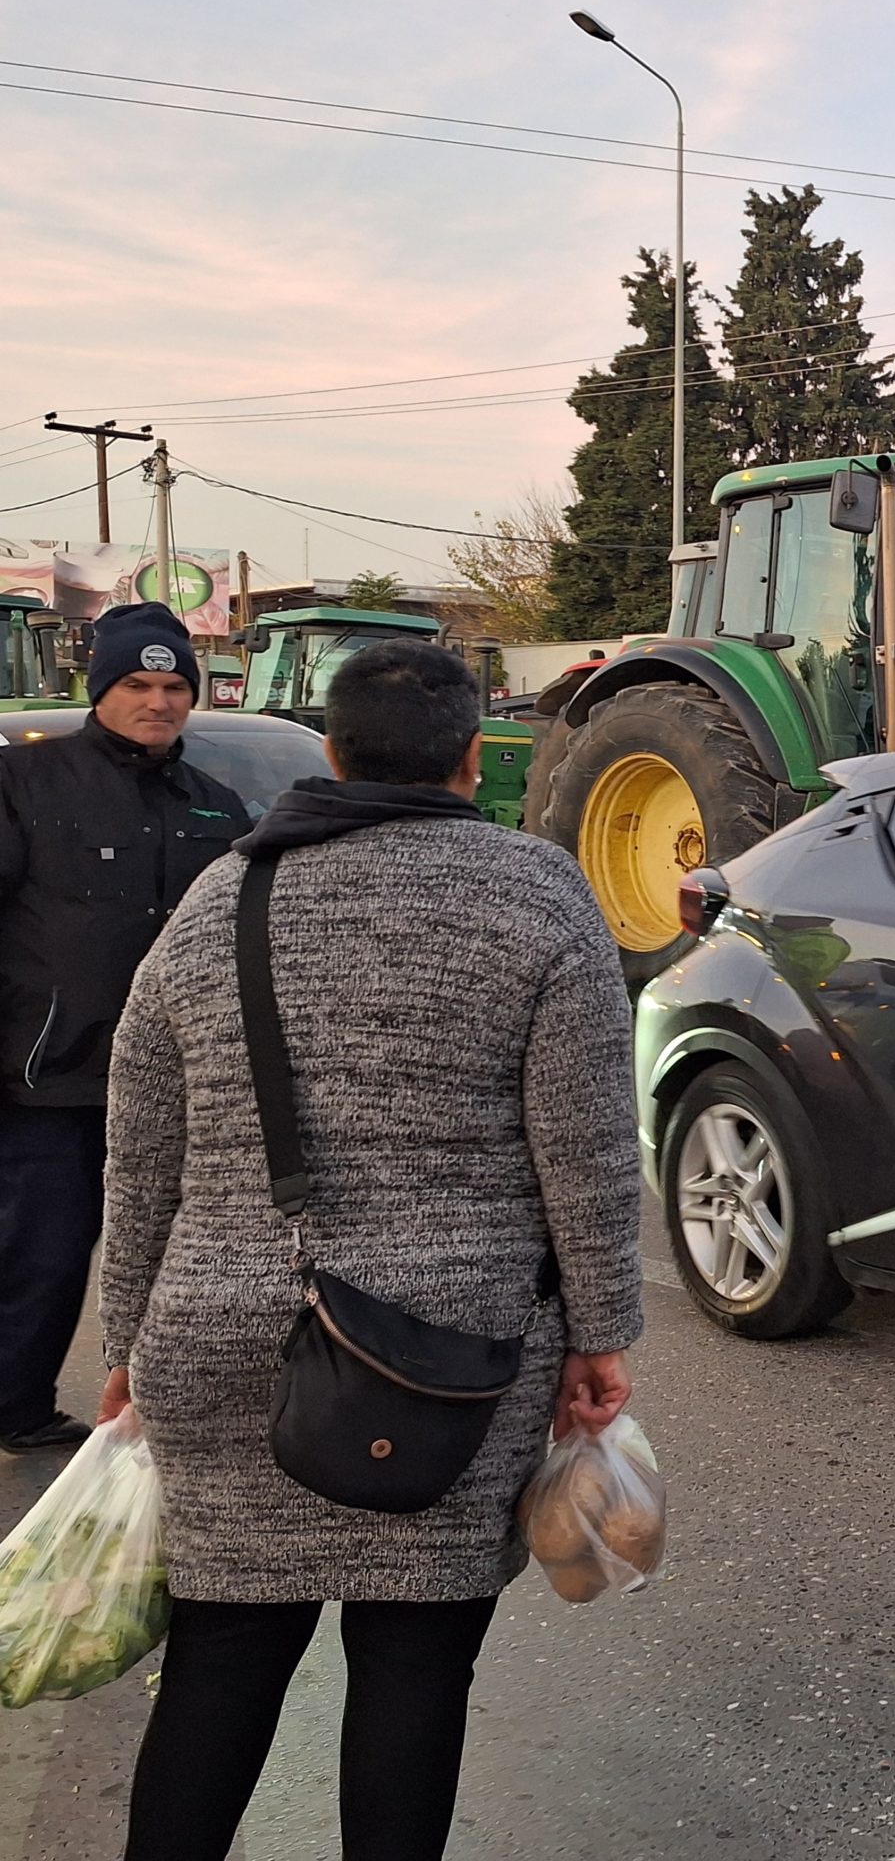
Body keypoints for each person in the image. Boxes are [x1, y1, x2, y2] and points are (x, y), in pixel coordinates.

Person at [99, 639, 644, 1861]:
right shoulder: (538, 895)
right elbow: (590, 1149)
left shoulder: (218, 898)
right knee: (415, 1666)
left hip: (221, 1341)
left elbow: (141, 1153)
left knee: (220, 1661)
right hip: (447, 1363)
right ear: (469, 758)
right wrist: (602, 1332)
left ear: (332, 751)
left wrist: (127, 1338)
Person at [0, 603, 249, 1456]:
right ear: (100, 688)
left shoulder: (217, 807)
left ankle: (169, 1404)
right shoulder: (25, 783)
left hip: (181, 1079)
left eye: (175, 684)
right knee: (43, 1252)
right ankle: (15, 1405)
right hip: (51, 1074)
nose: (159, 701)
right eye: (137, 684)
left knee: (184, 1258)